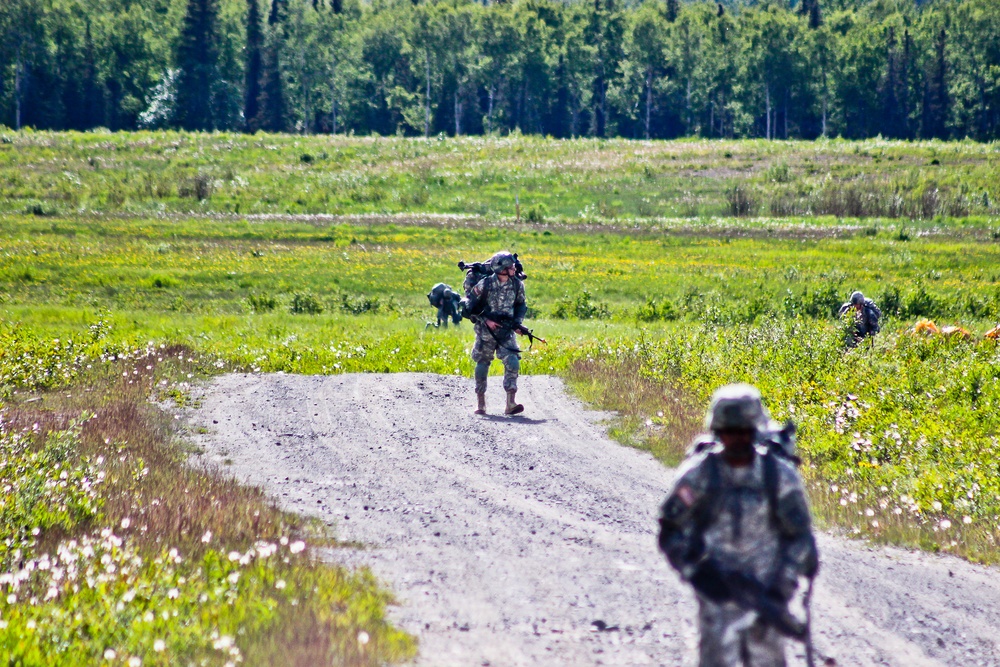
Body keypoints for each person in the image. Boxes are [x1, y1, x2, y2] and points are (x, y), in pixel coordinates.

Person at [658, 384, 818, 667]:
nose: (737, 439)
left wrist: (783, 583)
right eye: (730, 431)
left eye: (743, 431)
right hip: (716, 594)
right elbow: (670, 529)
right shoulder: (699, 475)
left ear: (755, 430)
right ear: (718, 432)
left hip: (767, 591)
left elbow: (801, 538)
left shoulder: (778, 476)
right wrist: (697, 571)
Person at [464, 251, 528, 415]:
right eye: (510, 266)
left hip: (506, 333)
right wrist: (486, 320)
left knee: (513, 362)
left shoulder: (517, 285)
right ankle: (481, 403)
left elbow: (521, 305)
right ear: (501, 269)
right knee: (483, 364)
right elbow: (470, 306)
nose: (514, 269)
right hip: (485, 333)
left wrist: (517, 324)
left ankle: (511, 403)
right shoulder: (484, 285)